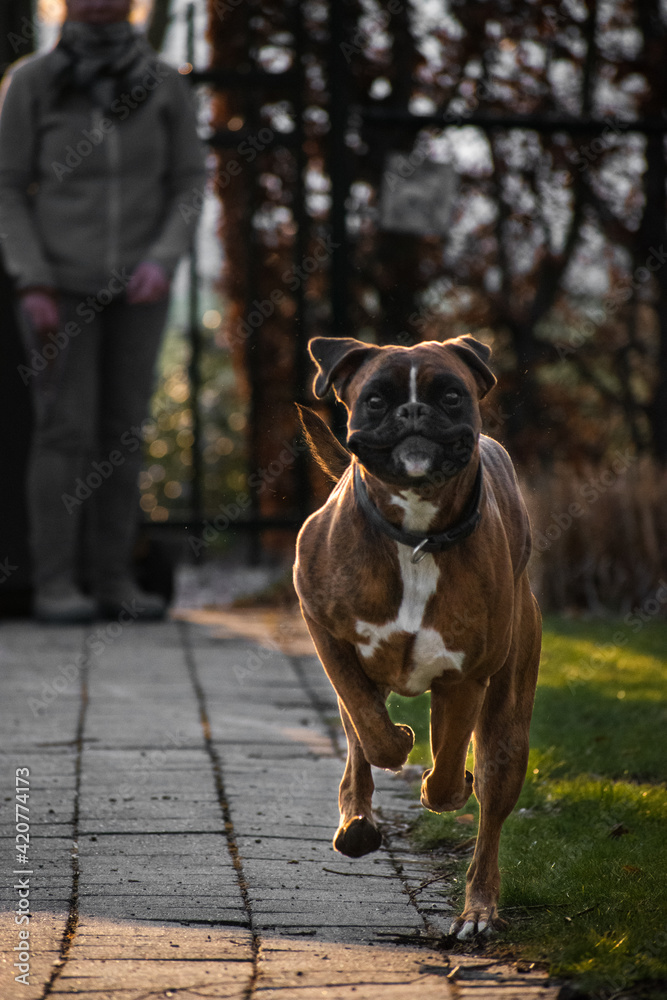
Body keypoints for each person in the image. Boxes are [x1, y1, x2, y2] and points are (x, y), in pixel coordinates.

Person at [0, 0, 206, 622]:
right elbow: (6, 188)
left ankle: (114, 581)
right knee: (64, 434)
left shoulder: (167, 86)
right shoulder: (31, 82)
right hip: (57, 289)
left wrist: (162, 260)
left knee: (122, 436)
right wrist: (31, 279)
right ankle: (56, 584)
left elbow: (190, 183)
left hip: (140, 290)